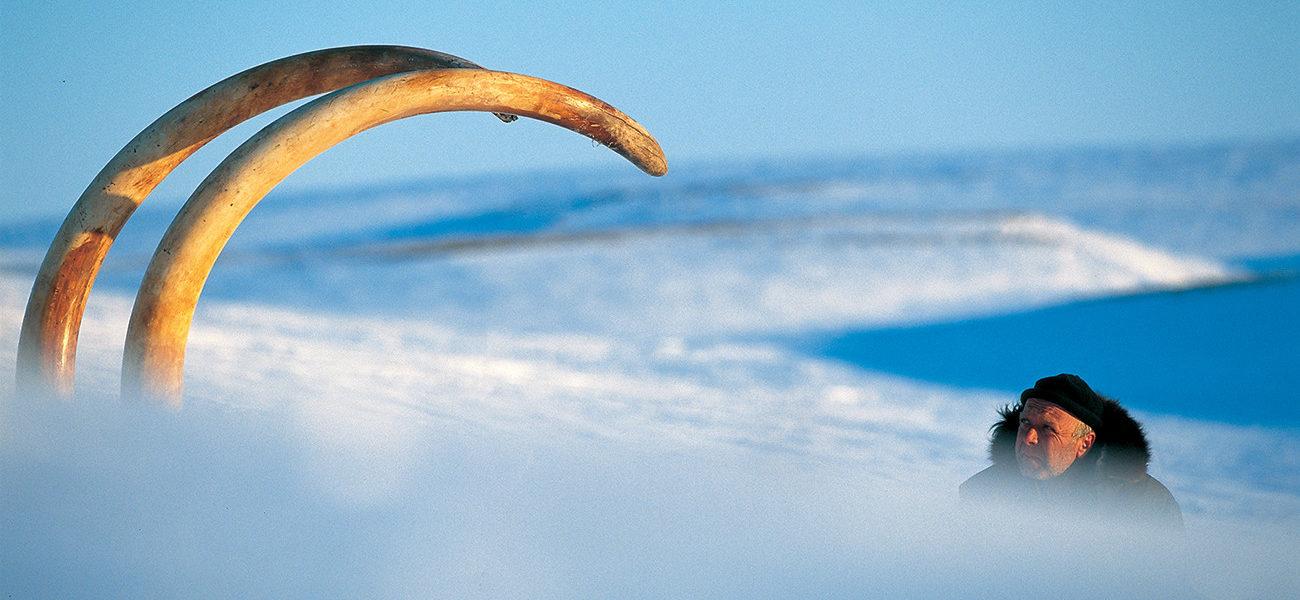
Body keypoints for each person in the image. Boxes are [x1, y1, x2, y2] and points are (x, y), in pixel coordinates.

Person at [959, 373, 1183, 530]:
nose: (1029, 437)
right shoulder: (982, 494)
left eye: (1047, 428)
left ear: (1084, 444)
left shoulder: (1145, 506)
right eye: (1025, 422)